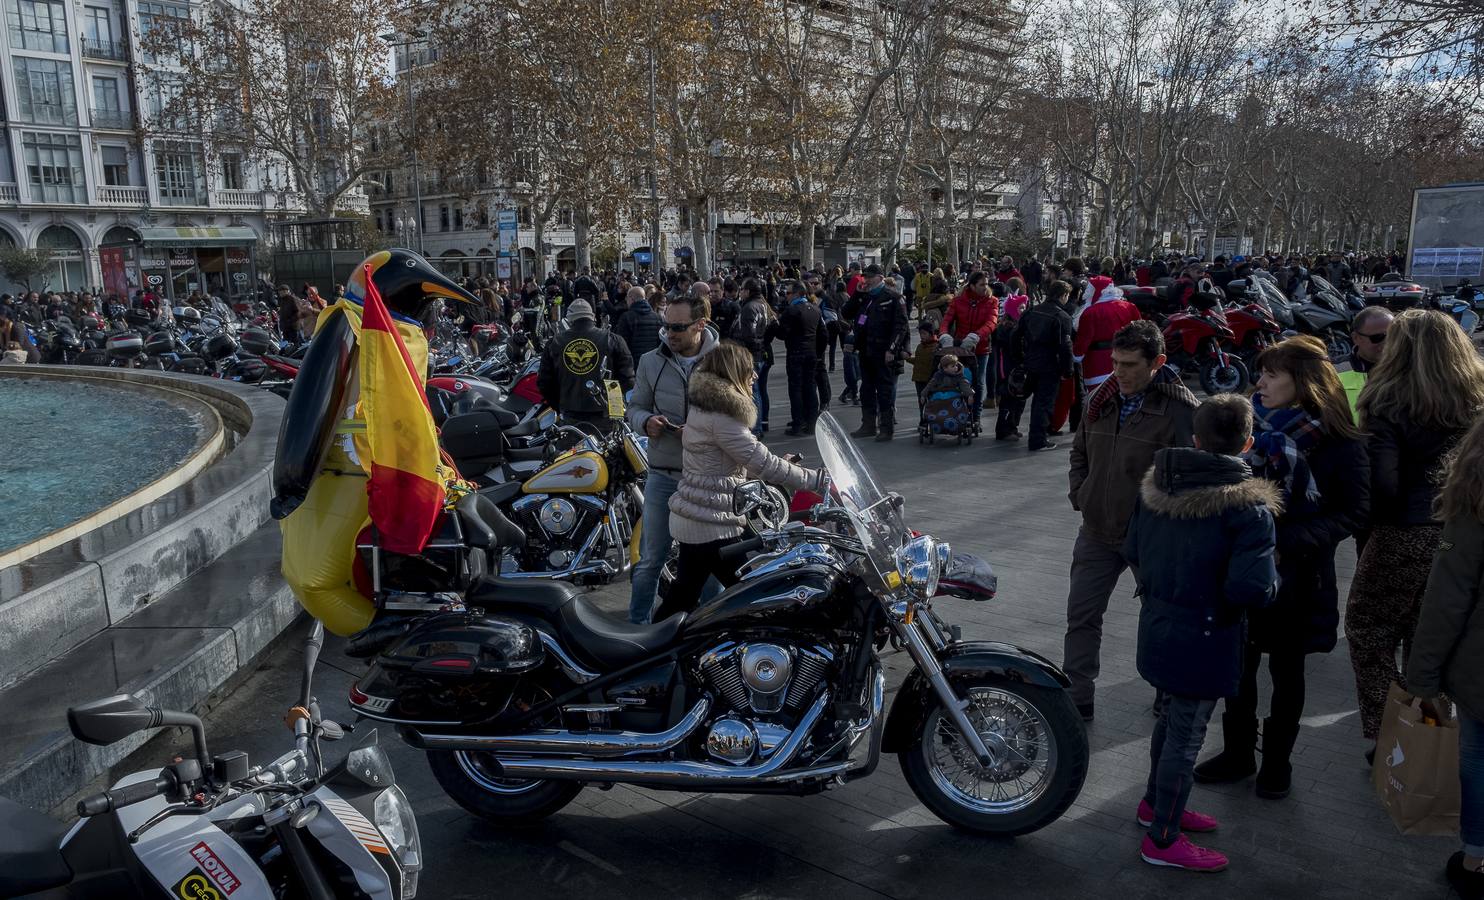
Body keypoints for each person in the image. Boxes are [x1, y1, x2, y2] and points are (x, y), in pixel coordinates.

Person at [1194, 336, 1368, 799]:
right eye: (1262, 372)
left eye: (1273, 375)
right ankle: (1237, 753)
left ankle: (1277, 763)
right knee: (1240, 666)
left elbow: (1354, 512)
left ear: (1303, 382)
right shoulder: (1245, 428)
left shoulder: (1337, 440)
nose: (1261, 381)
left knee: (1288, 672)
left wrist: (1281, 540)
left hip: (1299, 577)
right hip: (1240, 573)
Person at [1125, 395, 1280, 872]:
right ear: (1248, 444)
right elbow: (1252, 587)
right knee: (1186, 734)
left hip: (1159, 622)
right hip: (1208, 634)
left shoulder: (1157, 490)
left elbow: (1132, 550)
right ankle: (1164, 838)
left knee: (1170, 719)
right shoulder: (1248, 511)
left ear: (1195, 439)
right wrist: (1276, 580)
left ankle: (1156, 804)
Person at [1347, 310, 1484, 758]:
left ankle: (1394, 732)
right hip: (1463, 530)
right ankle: (1434, 727)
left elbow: (1383, 484)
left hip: (1404, 532)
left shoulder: (1386, 399)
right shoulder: (1476, 396)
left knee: (1369, 629)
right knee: (1430, 635)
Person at [1064, 320, 1199, 720]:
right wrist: (1080, 493)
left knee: (1162, 619)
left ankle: (1166, 690)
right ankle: (1077, 695)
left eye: (1130, 365)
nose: (1118, 373)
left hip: (1152, 538)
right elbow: (1079, 453)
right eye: (1115, 362)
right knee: (1081, 616)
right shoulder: (1100, 400)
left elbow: (1194, 478)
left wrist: (1165, 524)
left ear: (1157, 362)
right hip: (1096, 531)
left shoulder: (1181, 410)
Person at [657, 343, 827, 620]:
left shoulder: (705, 408)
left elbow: (730, 464)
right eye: (750, 370)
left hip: (701, 516)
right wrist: (816, 479)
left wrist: (767, 467)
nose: (755, 376)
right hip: (712, 525)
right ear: (734, 373)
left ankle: (651, 648)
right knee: (759, 595)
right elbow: (766, 464)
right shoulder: (724, 419)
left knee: (683, 595)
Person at [1406, 411, 1484, 900]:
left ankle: (1477, 859)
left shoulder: (1476, 490)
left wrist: (1423, 677)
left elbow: (1449, 594)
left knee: (1477, 757)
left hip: (1479, 670)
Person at [626, 294, 720, 623]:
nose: (670, 334)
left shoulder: (724, 362)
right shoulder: (651, 361)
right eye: (666, 326)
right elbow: (634, 407)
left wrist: (701, 432)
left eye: (678, 327)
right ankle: (636, 629)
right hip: (663, 475)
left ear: (700, 325)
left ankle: (716, 623)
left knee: (705, 560)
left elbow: (743, 418)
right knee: (651, 558)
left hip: (707, 478)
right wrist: (645, 421)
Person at [536, 299, 635, 432]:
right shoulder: (613, 340)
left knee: (570, 452)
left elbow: (544, 383)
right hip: (606, 417)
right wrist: (614, 405)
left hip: (571, 416)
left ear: (570, 320)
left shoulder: (554, 343)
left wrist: (560, 405)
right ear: (592, 318)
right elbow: (627, 380)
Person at [842, 264, 909, 441]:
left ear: (880, 278)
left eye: (870, 277)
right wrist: (857, 293)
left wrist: (892, 349)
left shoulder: (893, 298)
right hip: (866, 351)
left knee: (885, 391)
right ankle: (868, 424)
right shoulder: (865, 297)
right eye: (865, 277)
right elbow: (846, 312)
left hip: (884, 351)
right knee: (867, 389)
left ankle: (886, 428)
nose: (867, 280)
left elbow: (901, 326)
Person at [1016, 281, 1075, 451]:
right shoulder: (1062, 317)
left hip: (1031, 361)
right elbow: (1065, 346)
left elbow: (1016, 335)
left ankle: (1016, 430)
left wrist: (1019, 357)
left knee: (1029, 399)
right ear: (1063, 295)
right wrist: (1068, 369)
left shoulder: (1032, 311)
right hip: (1050, 365)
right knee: (1043, 402)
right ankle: (1037, 440)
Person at [938, 271, 998, 422]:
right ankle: (957, 410)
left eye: (986, 284)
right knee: (959, 378)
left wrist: (977, 335)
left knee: (978, 382)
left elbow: (991, 322)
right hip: (960, 348)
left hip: (981, 348)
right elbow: (946, 320)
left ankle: (975, 417)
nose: (985, 287)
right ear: (972, 286)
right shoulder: (958, 301)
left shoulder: (992, 301)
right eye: (981, 284)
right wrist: (944, 335)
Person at [1073, 282, 1141, 393]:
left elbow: (1083, 341)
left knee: (1098, 397)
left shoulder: (1090, 312)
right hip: (1127, 357)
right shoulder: (1129, 306)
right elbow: (1140, 331)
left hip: (1097, 363)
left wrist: (1075, 356)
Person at [732, 278, 777, 436]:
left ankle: (756, 427)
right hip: (760, 352)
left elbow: (748, 334)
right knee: (759, 390)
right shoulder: (763, 305)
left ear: (748, 291)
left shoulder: (750, 307)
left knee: (753, 391)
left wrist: (754, 346)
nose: (740, 292)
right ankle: (762, 423)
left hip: (751, 355)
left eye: (742, 289)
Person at [780, 280, 823, 435]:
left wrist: (774, 325)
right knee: (810, 387)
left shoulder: (792, 311)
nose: (786, 297)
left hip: (796, 353)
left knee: (796, 389)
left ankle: (798, 423)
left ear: (798, 293)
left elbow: (781, 333)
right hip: (811, 353)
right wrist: (819, 352)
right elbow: (822, 333)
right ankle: (811, 422)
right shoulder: (815, 309)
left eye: (788, 293)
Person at [1339, 306, 1394, 416]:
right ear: (1356, 338)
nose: (1386, 343)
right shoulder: (1334, 370)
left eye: (1393, 336)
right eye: (1378, 337)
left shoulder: (1409, 368)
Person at [614, 285, 662, 361]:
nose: (626, 301)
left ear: (631, 299)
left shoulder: (626, 317)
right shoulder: (657, 317)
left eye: (627, 298)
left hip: (633, 362)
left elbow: (621, 345)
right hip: (653, 362)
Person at [910, 322, 938, 408]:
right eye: (920, 333)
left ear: (931, 333)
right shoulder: (920, 346)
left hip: (930, 379)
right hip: (919, 379)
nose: (922, 336)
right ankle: (922, 419)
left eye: (924, 333)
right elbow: (918, 361)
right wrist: (907, 358)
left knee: (932, 401)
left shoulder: (936, 347)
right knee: (921, 401)